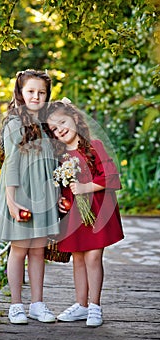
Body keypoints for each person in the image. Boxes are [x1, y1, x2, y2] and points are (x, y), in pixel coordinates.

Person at [44, 100, 124, 327]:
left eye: (62, 122)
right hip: (74, 215)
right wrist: (61, 199)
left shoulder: (94, 146)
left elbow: (110, 176)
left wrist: (86, 188)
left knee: (93, 257)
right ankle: (81, 305)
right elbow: (60, 185)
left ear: (75, 119)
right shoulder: (60, 155)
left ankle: (95, 306)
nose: (60, 129)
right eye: (54, 129)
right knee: (78, 258)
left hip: (96, 211)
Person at [0, 69, 60, 325]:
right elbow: (11, 162)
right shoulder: (14, 123)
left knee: (37, 250)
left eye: (41, 92)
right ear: (20, 93)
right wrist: (11, 201)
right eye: (31, 91)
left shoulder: (47, 125)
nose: (36, 96)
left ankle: (37, 303)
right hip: (21, 193)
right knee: (20, 250)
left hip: (42, 194)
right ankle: (15, 305)